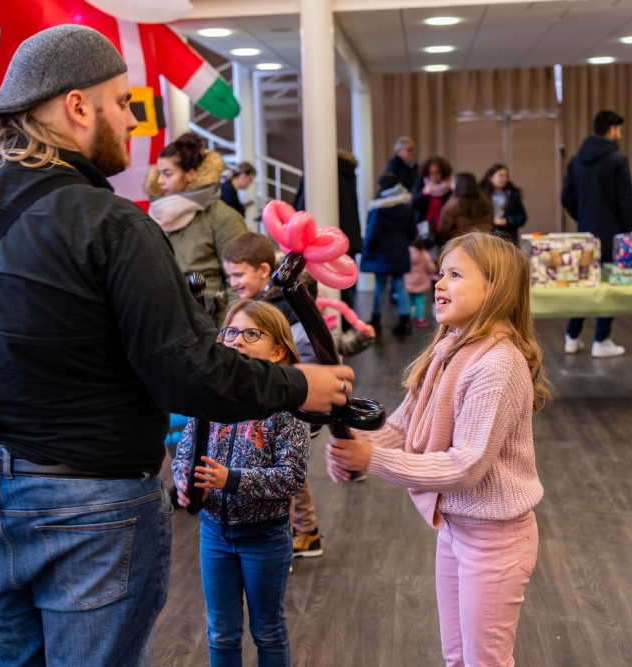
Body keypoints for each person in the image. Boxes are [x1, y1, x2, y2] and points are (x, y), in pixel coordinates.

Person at [0, 25, 352, 667]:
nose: (130, 120)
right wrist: (300, 384)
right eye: (123, 102)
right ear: (77, 105)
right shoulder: (113, 223)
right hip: (90, 510)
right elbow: (190, 374)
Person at [326, 232, 547, 667]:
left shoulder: (498, 364)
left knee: (485, 662)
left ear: (496, 288)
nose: (439, 283)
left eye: (455, 275)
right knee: (457, 658)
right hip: (455, 528)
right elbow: (403, 425)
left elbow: (466, 466)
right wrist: (357, 443)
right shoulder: (449, 347)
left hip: (496, 539)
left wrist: (373, 459)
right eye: (441, 273)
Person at [172, 299, 310, 667]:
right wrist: (184, 482)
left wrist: (230, 480)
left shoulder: (287, 408)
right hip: (213, 535)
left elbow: (292, 476)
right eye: (230, 332)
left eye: (251, 334)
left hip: (264, 538)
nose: (236, 340)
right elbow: (185, 453)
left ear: (278, 350)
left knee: (267, 630)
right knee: (220, 631)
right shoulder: (210, 398)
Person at [222, 231, 374, 557]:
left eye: (238, 274)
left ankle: (287, 537)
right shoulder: (261, 308)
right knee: (287, 470)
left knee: (283, 472)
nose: (233, 282)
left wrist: (301, 398)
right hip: (281, 400)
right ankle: (306, 532)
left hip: (294, 404)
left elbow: (312, 359)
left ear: (264, 270)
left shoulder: (284, 312)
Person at [146, 132, 248, 325]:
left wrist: (231, 329)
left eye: (168, 174)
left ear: (190, 174)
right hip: (166, 318)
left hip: (209, 320)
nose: (160, 181)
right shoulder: (155, 216)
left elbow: (239, 280)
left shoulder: (223, 217)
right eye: (158, 173)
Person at [561, 110, 632, 358]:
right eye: (619, 130)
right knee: (608, 288)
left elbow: (566, 198)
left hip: (585, 235)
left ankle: (572, 337)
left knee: (584, 286)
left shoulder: (576, 161)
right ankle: (601, 340)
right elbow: (625, 200)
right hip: (613, 236)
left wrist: (583, 217)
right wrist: (630, 231)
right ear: (612, 129)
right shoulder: (618, 160)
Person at [293, 150, 363, 329]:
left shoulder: (319, 170)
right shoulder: (348, 173)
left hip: (322, 239)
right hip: (347, 235)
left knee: (322, 280)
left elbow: (301, 203)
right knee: (346, 281)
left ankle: (330, 326)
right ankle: (346, 325)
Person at [363, 172, 418, 336]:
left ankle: (376, 320)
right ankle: (404, 321)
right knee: (400, 285)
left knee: (380, 285)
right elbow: (412, 232)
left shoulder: (378, 208)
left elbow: (373, 233)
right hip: (400, 250)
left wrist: (368, 249)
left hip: (382, 252)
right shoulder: (406, 207)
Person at [437, 172, 494, 241]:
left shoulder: (452, 205)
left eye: (453, 182)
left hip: (461, 242)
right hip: (484, 240)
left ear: (458, 185)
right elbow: (490, 223)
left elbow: (444, 230)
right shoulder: (486, 201)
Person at [479, 164, 527, 245]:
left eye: (506, 176)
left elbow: (522, 217)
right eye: (500, 175)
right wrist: (491, 221)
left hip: (508, 237)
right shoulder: (481, 195)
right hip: (486, 237)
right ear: (490, 177)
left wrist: (507, 221)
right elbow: (476, 218)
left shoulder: (513, 195)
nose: (504, 178)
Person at [412, 155, 453, 240]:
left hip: (444, 231)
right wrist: (423, 193)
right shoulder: (422, 183)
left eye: (437, 173)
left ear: (443, 172)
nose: (433, 176)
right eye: (431, 173)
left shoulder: (450, 187)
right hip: (424, 230)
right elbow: (412, 204)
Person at [404, 236, 437, 329]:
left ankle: (409, 318)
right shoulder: (423, 253)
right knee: (420, 302)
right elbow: (430, 267)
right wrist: (432, 271)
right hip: (420, 282)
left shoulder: (406, 252)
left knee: (409, 301)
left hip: (408, 282)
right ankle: (421, 319)